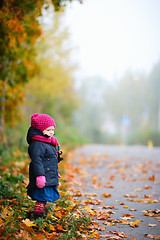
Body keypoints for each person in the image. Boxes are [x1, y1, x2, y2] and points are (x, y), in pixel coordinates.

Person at [26, 113, 63, 218]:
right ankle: (38, 211)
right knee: (42, 194)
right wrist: (39, 175)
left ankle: (43, 209)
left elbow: (50, 160)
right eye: (48, 130)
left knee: (46, 194)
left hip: (48, 173)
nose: (51, 132)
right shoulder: (37, 144)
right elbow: (36, 161)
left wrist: (55, 171)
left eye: (52, 130)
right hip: (42, 174)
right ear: (40, 130)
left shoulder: (48, 142)